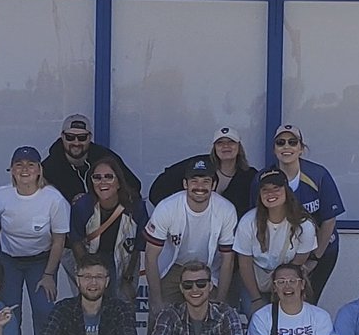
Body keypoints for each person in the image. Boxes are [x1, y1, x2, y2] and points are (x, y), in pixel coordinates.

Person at [0, 146, 70, 335]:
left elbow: (59, 240)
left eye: (30, 164)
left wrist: (48, 274)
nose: (24, 169)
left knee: (44, 314)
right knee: (9, 317)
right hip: (8, 260)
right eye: (19, 165)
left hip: (41, 261)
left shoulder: (54, 199)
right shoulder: (0, 195)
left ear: (39, 170)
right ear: (12, 170)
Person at [253, 125, 344, 303]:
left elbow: (329, 220)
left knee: (307, 302)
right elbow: (258, 218)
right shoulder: (263, 178)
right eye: (281, 143)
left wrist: (315, 258)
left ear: (301, 149)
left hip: (320, 251)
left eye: (292, 142)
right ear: (274, 149)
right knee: (277, 305)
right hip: (280, 255)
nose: (286, 147)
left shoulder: (318, 175)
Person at [144, 158, 237, 313]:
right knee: (160, 315)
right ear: (185, 184)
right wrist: (156, 300)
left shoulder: (226, 210)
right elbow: (150, 256)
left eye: (206, 181)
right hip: (175, 267)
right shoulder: (167, 207)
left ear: (214, 185)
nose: (200, 187)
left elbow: (228, 260)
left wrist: (220, 300)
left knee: (214, 320)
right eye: (194, 181)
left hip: (208, 269)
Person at [234, 168, 317, 315]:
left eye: (276, 189)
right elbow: (244, 263)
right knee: (256, 319)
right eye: (265, 190)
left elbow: (300, 260)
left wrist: (282, 285)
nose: (270, 194)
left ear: (286, 190)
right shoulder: (248, 222)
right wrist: (256, 299)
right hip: (255, 281)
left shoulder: (304, 224)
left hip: (288, 280)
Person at [68, 154, 148, 302]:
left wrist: (128, 276)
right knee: (92, 303)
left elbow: (139, 245)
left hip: (125, 260)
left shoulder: (135, 206)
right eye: (97, 177)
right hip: (90, 256)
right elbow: (76, 240)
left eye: (108, 177)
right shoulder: (82, 206)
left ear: (118, 182)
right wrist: (89, 271)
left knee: (123, 304)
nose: (102, 181)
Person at [149, 126, 259, 218]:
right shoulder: (198, 165)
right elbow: (161, 185)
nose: (226, 146)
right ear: (214, 147)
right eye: (220, 143)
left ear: (239, 147)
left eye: (231, 142)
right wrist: (172, 215)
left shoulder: (249, 175)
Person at [41, 112, 141, 206]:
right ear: (62, 136)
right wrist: (70, 200)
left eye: (82, 137)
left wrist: (101, 199)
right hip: (66, 220)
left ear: (90, 137)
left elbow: (133, 186)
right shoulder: (49, 167)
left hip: (106, 217)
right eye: (70, 137)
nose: (76, 143)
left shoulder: (105, 158)